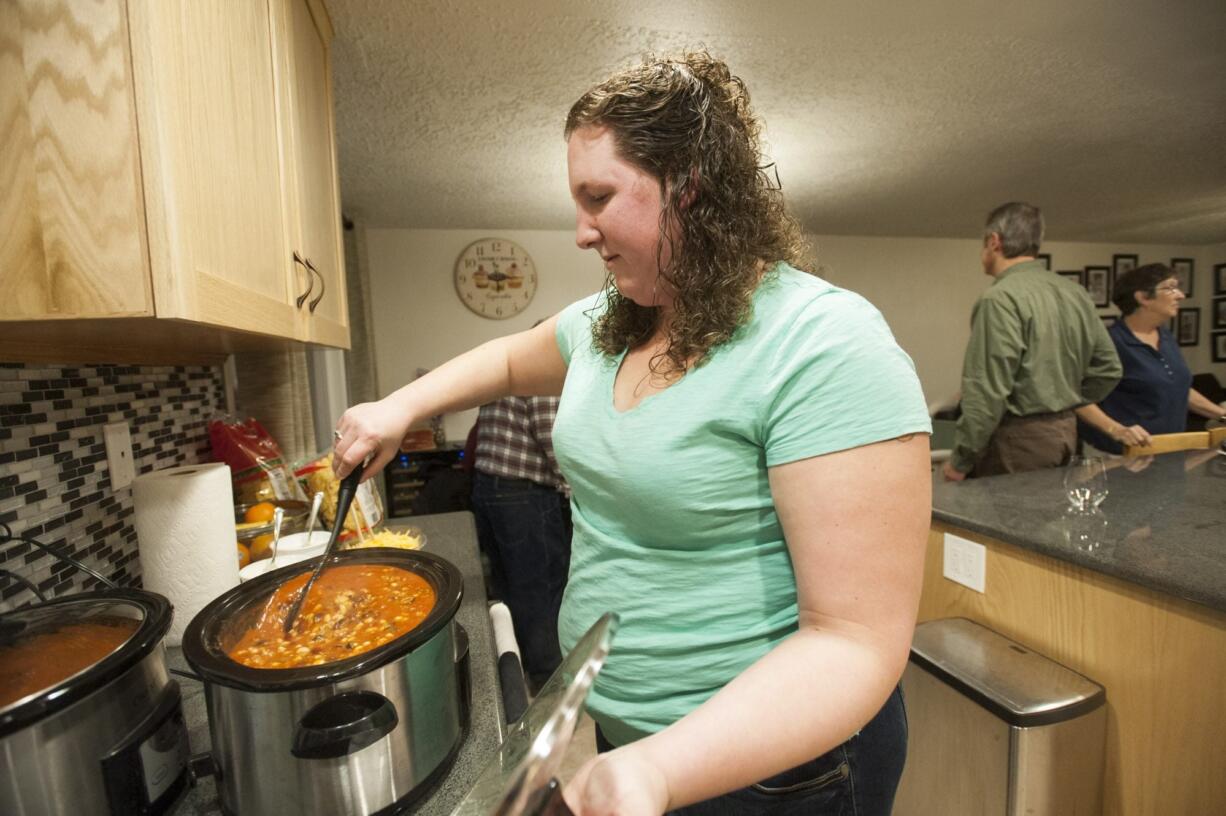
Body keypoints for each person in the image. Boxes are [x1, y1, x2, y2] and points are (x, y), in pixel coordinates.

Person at [332, 50, 932, 816]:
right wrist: (398, 408)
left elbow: (854, 643)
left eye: (599, 197)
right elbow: (509, 359)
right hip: (638, 748)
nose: (581, 232)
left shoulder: (825, 343)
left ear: (691, 186)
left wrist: (659, 770)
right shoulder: (613, 324)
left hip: (776, 774)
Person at [942, 202, 1122, 481]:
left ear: (994, 242)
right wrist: (1062, 400)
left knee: (1010, 522)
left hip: (1017, 442)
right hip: (1066, 433)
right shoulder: (1074, 293)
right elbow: (1109, 368)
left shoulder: (1000, 298)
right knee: (1056, 521)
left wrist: (961, 460)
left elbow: (987, 390)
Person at [470, 392, 571, 691]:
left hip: (490, 487)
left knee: (509, 589)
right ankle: (549, 687)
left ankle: (519, 675)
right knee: (542, 592)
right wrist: (574, 486)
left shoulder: (509, 361)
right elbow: (552, 432)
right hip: (524, 494)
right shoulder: (542, 361)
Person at [1075, 263, 1226, 454]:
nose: (1180, 295)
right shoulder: (1110, 343)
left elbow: (1178, 389)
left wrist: (1222, 414)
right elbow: (1077, 398)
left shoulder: (1166, 337)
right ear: (1143, 297)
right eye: (1170, 287)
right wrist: (1116, 430)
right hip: (1120, 456)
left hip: (1169, 452)